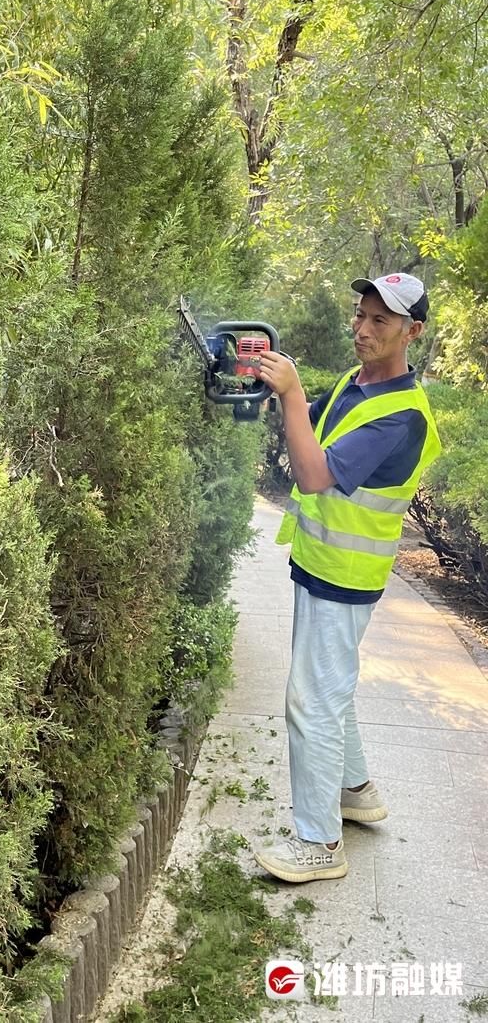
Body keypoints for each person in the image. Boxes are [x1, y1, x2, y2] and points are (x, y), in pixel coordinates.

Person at [251, 273, 441, 883]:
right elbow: (309, 421)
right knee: (334, 687)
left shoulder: (401, 418)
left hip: (345, 577)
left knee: (311, 701)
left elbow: (313, 476)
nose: (362, 330)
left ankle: (317, 844)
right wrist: (260, 382)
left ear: (412, 332)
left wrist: (290, 392)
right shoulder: (356, 387)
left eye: (380, 321)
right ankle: (356, 791)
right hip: (322, 566)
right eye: (360, 316)